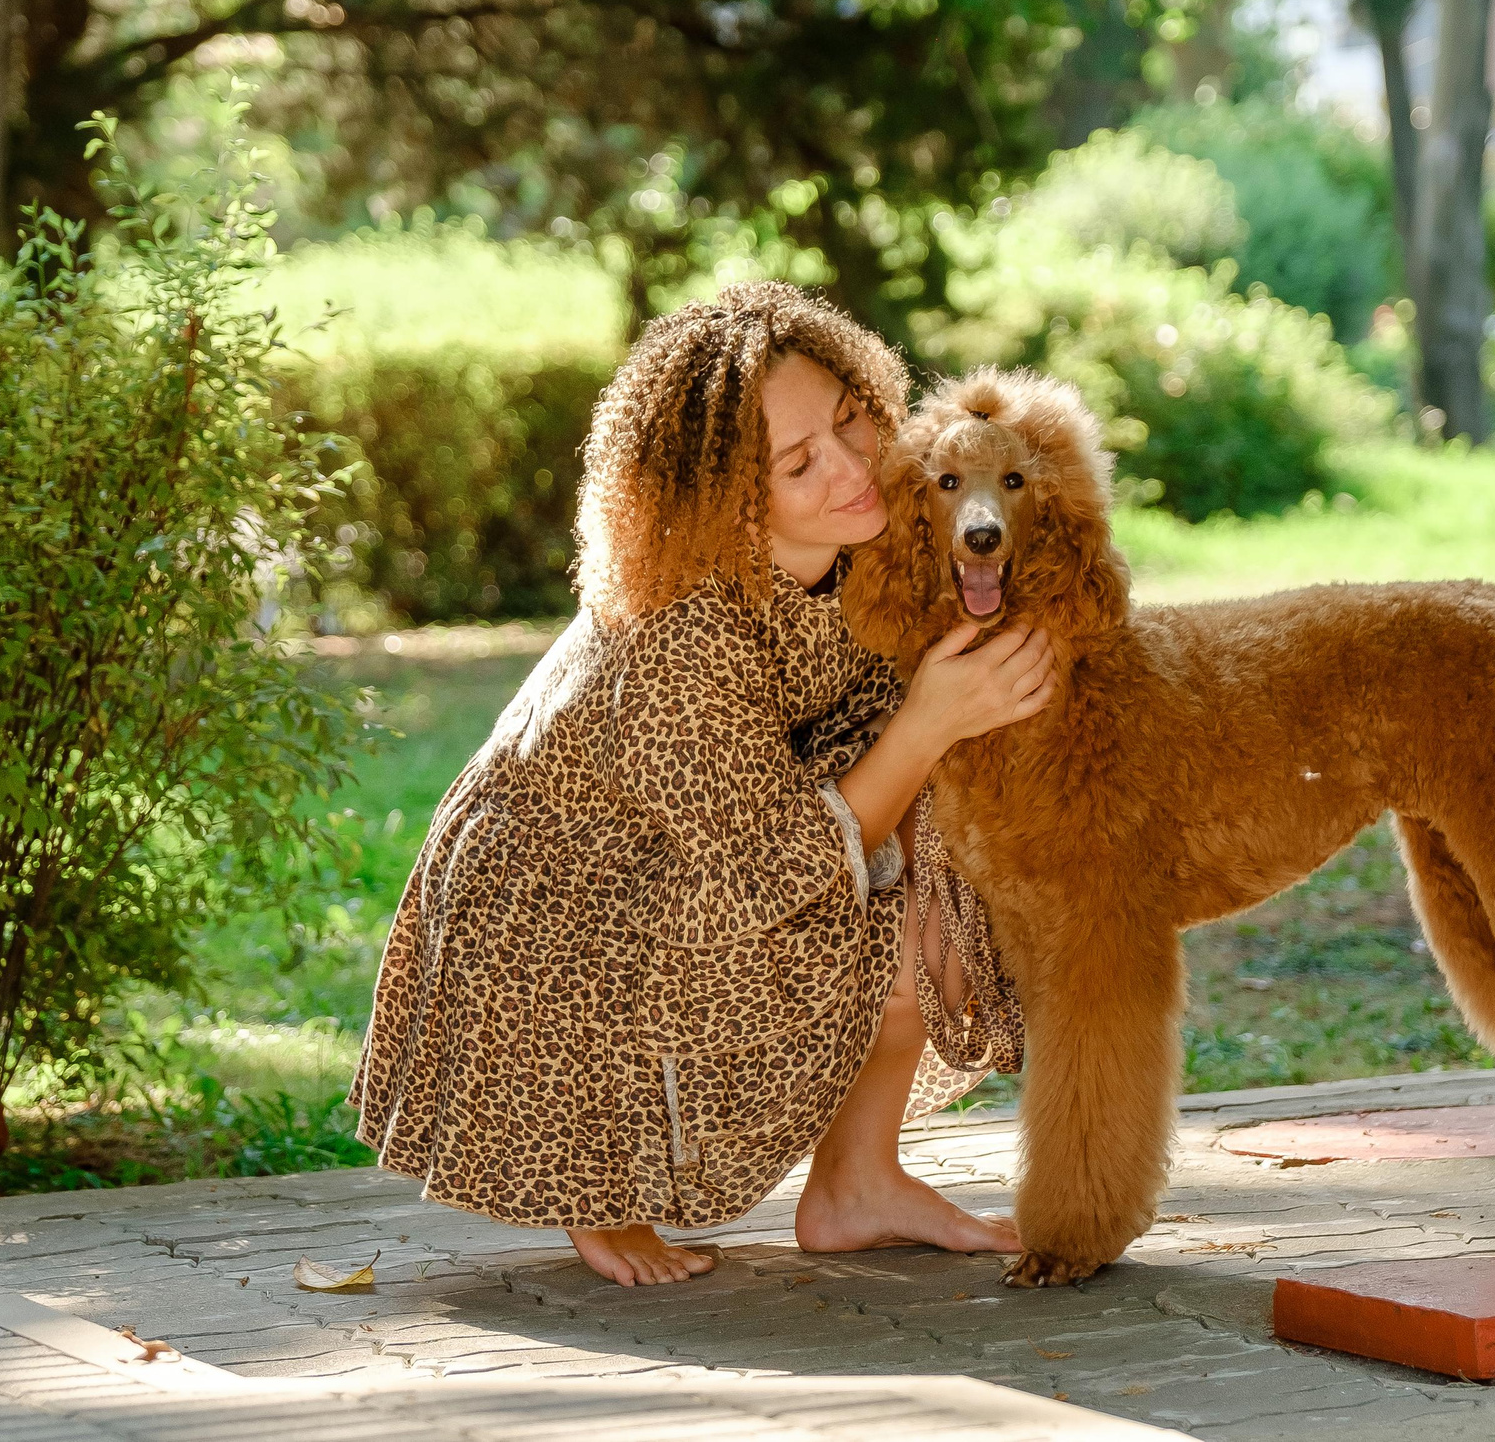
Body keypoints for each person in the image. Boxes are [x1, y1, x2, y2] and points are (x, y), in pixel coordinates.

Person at [348, 281, 1052, 1287]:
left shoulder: (873, 540)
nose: (853, 467)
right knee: (900, 789)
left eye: (852, 420)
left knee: (950, 835)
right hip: (568, 899)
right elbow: (764, 874)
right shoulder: (684, 631)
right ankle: (594, 1192)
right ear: (725, 498)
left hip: (742, 839)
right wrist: (929, 722)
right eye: (799, 462)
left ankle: (857, 1184)